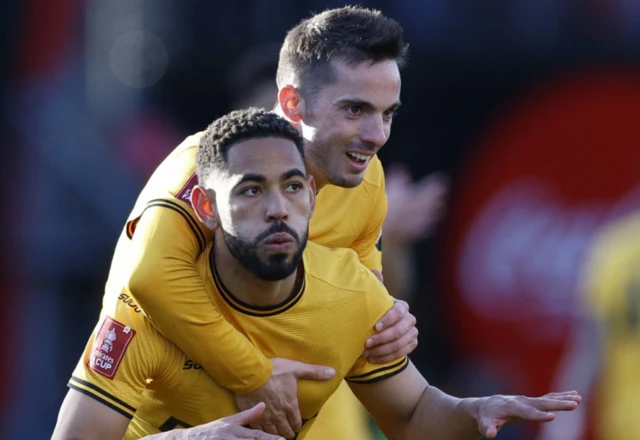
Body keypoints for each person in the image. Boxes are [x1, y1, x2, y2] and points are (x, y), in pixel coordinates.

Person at [53, 108, 582, 440]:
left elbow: (415, 414)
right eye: (251, 190)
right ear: (207, 210)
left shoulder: (351, 293)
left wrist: (472, 411)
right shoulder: (144, 317)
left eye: (292, 186)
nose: (278, 208)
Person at [109, 7, 418, 439]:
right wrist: (253, 375)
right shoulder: (202, 167)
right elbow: (151, 277)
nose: (377, 135)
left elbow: (361, 290)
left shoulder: (368, 182)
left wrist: (390, 325)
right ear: (292, 103)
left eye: (387, 114)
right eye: (354, 110)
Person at [537, 212, 640, 440]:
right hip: (624, 427)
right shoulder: (616, 248)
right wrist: (565, 416)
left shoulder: (616, 247)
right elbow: (590, 346)